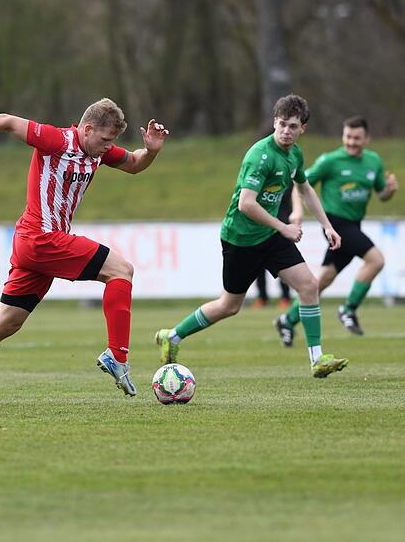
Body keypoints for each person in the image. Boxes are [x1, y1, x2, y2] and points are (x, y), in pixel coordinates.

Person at [0, 98, 169, 406]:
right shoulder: (56, 140)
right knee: (121, 270)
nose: (108, 147)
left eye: (112, 142)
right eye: (105, 140)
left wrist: (153, 151)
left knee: (6, 322)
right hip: (41, 239)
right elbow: (7, 119)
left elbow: (134, 164)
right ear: (87, 129)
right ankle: (118, 356)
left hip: (34, 245)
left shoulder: (97, 152)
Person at [154, 94, 348, 378]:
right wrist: (283, 227)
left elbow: (305, 189)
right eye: (282, 124)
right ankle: (172, 336)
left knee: (308, 286)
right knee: (229, 306)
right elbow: (246, 204)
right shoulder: (261, 156)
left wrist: (327, 226)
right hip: (240, 239)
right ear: (274, 122)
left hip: (269, 236)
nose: (286, 131)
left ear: (302, 129)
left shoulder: (295, 154)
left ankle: (317, 360)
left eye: (293, 126)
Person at [275, 116, 398, 342]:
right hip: (335, 224)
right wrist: (297, 211)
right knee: (376, 260)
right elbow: (299, 183)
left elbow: (382, 194)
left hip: (354, 224)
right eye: (348, 137)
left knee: (321, 280)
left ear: (367, 139)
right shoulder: (329, 161)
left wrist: (390, 190)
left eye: (357, 138)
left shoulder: (373, 161)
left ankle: (287, 320)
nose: (351, 142)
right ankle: (349, 309)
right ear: (343, 136)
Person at [251, 186, 299, 309]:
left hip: (283, 225)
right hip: (262, 225)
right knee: (258, 265)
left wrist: (297, 212)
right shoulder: (261, 178)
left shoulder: (288, 178)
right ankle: (262, 298)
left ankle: (285, 297)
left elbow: (301, 190)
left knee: (284, 264)